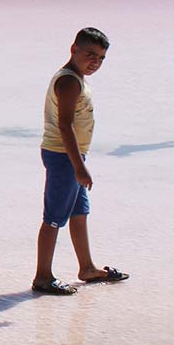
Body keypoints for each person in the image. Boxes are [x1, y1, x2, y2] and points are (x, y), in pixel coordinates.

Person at [32, 27, 128, 295]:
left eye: (101, 58)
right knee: (53, 217)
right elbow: (64, 125)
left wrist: (79, 161)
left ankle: (86, 267)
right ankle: (42, 276)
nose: (95, 62)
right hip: (63, 156)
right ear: (73, 49)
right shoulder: (69, 81)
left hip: (72, 155)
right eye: (90, 55)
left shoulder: (78, 78)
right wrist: (79, 166)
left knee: (79, 213)